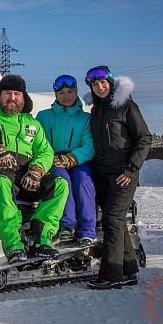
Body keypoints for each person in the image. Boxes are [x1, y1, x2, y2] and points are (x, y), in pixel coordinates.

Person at [0, 74, 69, 264]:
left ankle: (41, 238)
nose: (12, 98)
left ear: (24, 98)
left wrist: (37, 170)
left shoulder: (33, 124)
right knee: (1, 182)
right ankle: (13, 243)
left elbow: (46, 152)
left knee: (59, 184)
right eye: (7, 93)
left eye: (17, 94)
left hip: (26, 177)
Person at [82, 66, 152, 290]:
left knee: (112, 221)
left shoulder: (126, 106)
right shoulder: (94, 111)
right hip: (102, 176)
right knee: (117, 222)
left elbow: (144, 138)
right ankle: (129, 271)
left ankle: (111, 275)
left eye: (103, 82)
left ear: (111, 83)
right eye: (95, 84)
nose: (100, 87)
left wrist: (131, 169)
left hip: (124, 175)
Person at [36, 75, 97, 245]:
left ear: (76, 92)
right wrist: (50, 158)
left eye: (70, 91)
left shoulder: (85, 118)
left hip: (78, 160)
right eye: (61, 92)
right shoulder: (43, 117)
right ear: (56, 95)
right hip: (54, 160)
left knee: (83, 181)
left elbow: (89, 144)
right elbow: (37, 141)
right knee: (61, 180)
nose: (66, 96)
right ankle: (66, 226)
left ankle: (87, 230)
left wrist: (72, 158)